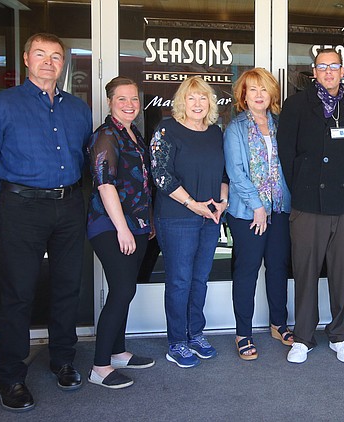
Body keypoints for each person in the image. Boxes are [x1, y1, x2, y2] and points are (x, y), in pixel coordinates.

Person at [0, 33, 92, 411]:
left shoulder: (78, 109)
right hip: (21, 208)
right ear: (26, 59)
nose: (49, 62)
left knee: (68, 287)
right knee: (18, 293)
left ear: (63, 63)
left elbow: (84, 159)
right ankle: (11, 377)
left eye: (56, 56)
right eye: (41, 54)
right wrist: (10, 197)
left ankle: (63, 360)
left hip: (69, 206)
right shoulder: (0, 105)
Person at [277, 47, 344, 364]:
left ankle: (340, 334)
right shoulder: (297, 104)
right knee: (306, 272)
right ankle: (303, 337)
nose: (328, 71)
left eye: (334, 66)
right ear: (314, 72)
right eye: (322, 66)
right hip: (308, 202)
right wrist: (301, 187)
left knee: (343, 272)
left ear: (343, 70)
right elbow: (286, 154)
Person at [150, 76, 228, 368]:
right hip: (178, 217)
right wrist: (193, 204)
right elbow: (161, 175)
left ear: (210, 102)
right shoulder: (167, 129)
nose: (197, 103)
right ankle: (177, 342)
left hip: (210, 216)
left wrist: (223, 202)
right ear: (182, 102)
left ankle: (196, 333)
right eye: (191, 98)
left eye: (203, 98)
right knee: (180, 280)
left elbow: (224, 174)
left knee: (199, 279)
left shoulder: (215, 133)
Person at [86, 77, 156, 389]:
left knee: (125, 289)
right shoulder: (105, 135)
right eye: (122, 99)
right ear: (110, 102)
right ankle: (100, 367)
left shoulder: (133, 132)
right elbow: (105, 185)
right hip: (111, 225)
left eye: (134, 100)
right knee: (122, 290)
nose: (129, 105)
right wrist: (123, 228)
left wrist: (145, 223)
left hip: (137, 224)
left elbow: (141, 182)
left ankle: (117, 352)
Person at [224, 68, 293, 360]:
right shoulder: (235, 128)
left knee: (278, 268)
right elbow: (236, 173)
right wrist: (257, 207)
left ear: (271, 93)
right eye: (252, 89)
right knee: (247, 271)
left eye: (263, 89)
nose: (258, 95)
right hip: (248, 213)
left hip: (280, 209)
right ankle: (243, 333)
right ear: (243, 95)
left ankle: (279, 323)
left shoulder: (282, 125)